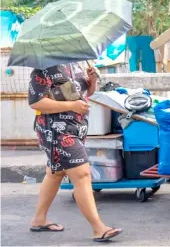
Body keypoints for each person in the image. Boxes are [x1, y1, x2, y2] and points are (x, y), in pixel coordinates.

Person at [28, 62, 122, 242]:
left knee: (55, 173)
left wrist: (92, 81)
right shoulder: (42, 69)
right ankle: (98, 228)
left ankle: (39, 219)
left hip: (76, 128)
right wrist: (71, 106)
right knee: (82, 174)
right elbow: (36, 101)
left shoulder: (75, 66)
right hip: (56, 130)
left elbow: (85, 94)